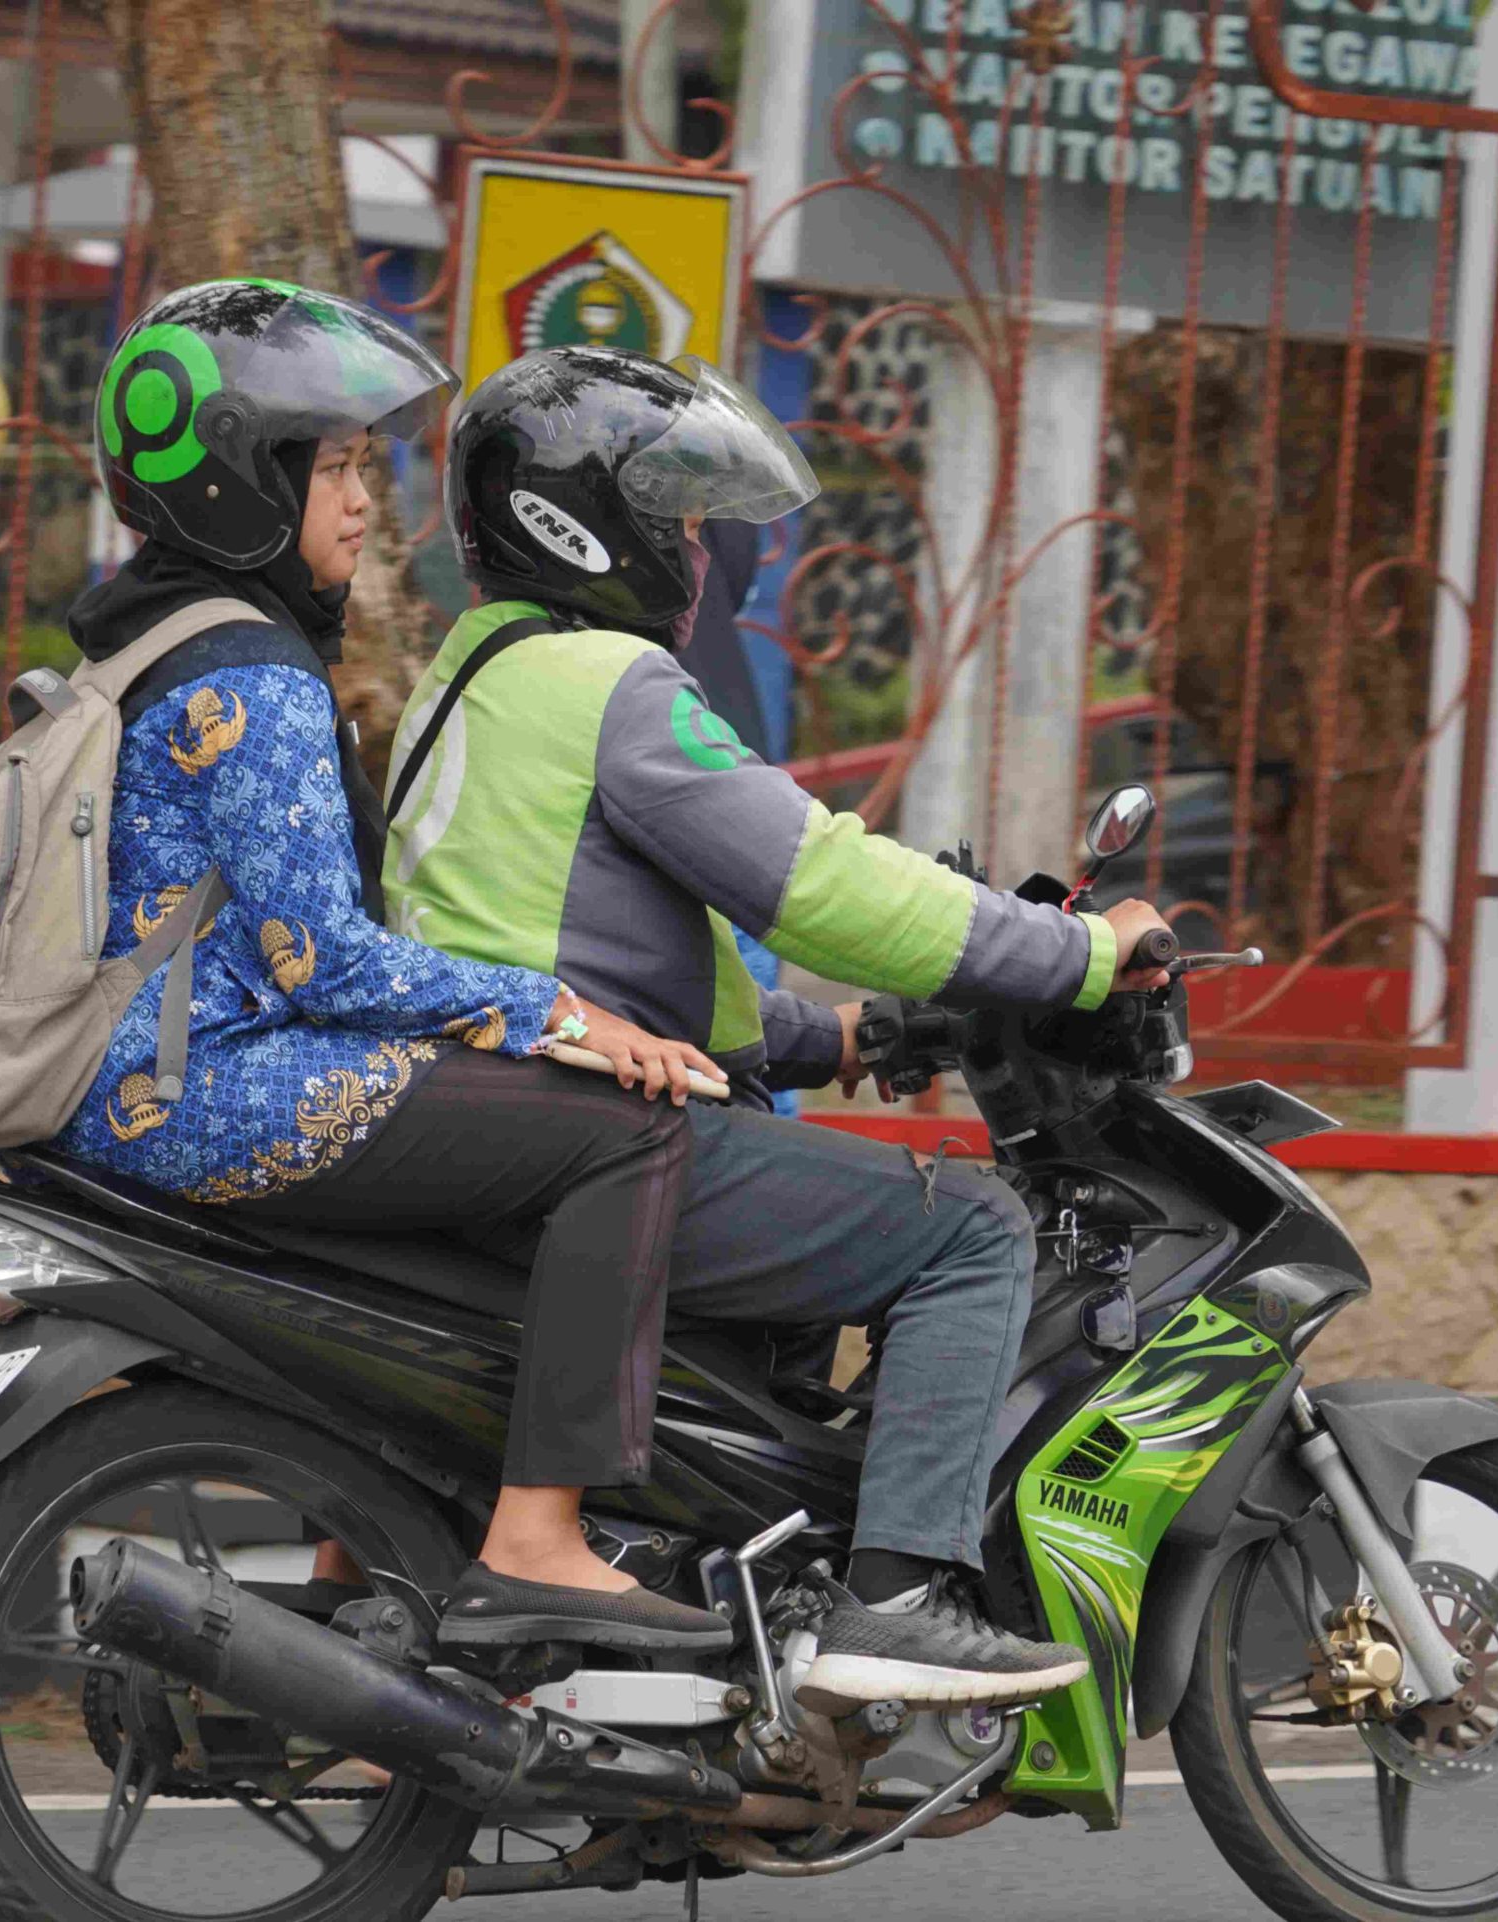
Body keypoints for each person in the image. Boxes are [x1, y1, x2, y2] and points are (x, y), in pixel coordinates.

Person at [385, 345, 1178, 1707]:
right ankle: (901, 1602)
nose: (698, 551)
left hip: (499, 1127)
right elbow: (816, 882)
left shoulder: (468, 679)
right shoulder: (611, 686)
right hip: (595, 1141)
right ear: (587, 521)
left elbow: (584, 940)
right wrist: (1084, 953)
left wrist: (843, 1040)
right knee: (970, 1228)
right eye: (679, 517)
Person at [49, 282, 729, 1653]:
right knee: (624, 1131)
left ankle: (373, 1601)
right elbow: (324, 961)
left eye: (366, 464)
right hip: (210, 1089)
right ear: (243, 481)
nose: (366, 501)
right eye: (335, 467)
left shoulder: (147, 636)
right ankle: (537, 1536)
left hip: (139, 1082)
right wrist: (561, 1012)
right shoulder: (255, 674)